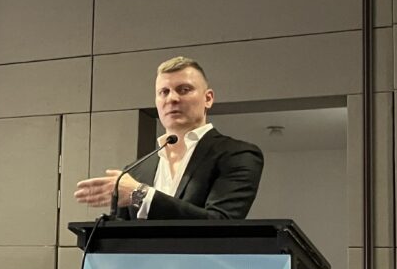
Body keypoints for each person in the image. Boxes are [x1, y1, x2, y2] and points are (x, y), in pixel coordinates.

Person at [74, 56, 263, 220]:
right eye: (163, 92)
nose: (172, 98)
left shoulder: (238, 155)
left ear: (208, 98)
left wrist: (141, 195)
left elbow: (221, 223)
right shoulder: (135, 172)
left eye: (184, 89)